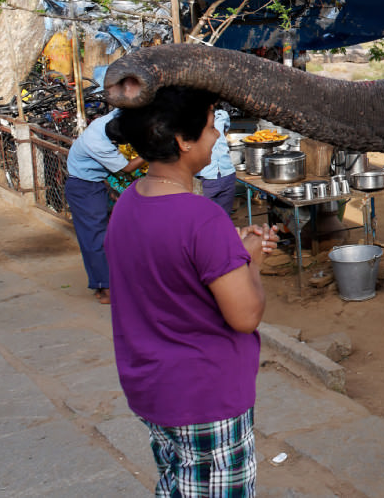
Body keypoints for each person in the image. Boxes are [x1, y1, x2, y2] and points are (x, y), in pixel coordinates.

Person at [104, 86, 278, 497]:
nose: (217, 134)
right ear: (182, 141)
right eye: (209, 125)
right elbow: (245, 315)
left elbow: (167, 272)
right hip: (204, 395)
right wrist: (251, 259)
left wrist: (228, 254)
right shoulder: (203, 219)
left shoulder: (129, 201)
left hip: (153, 389)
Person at [65, 110, 145, 304]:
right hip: (84, 187)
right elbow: (127, 168)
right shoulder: (99, 144)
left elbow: (122, 106)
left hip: (95, 184)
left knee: (106, 235)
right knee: (94, 238)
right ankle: (106, 289)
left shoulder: (107, 120)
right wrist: (150, 152)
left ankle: (102, 283)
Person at [196, 104, 237, 215]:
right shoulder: (195, 118)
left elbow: (224, 132)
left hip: (227, 173)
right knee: (205, 216)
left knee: (224, 217)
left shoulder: (222, 115)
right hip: (206, 176)